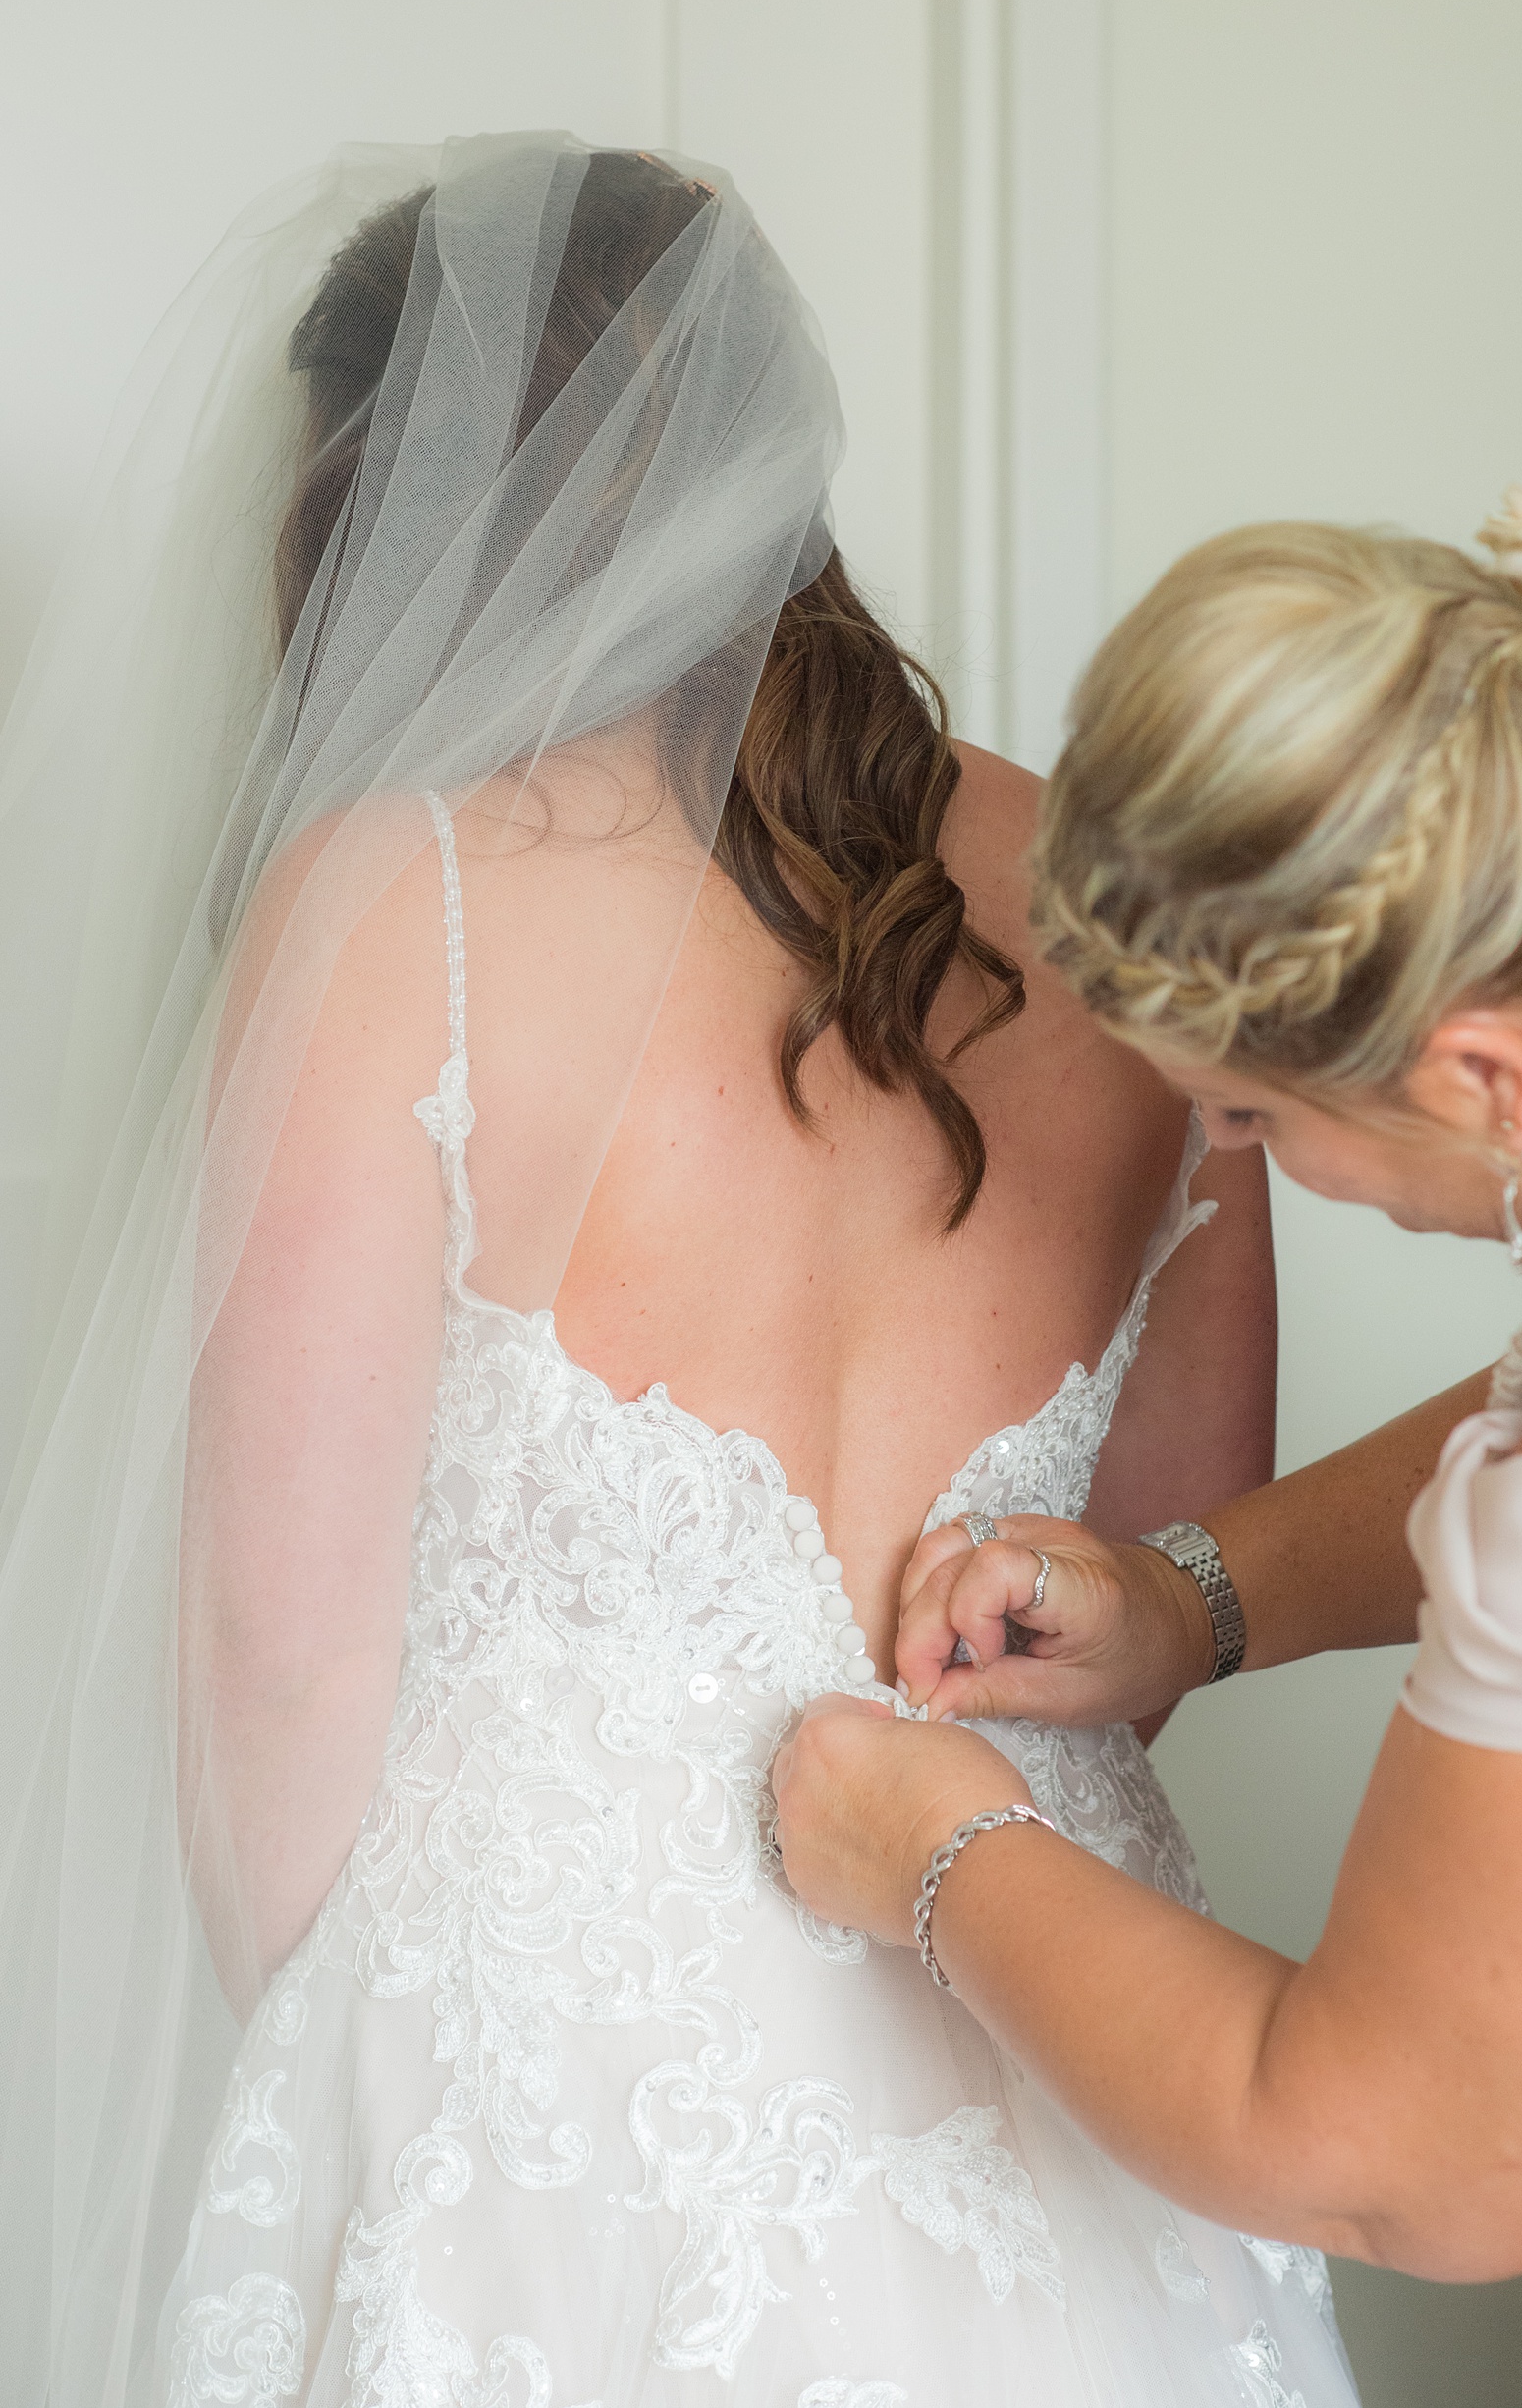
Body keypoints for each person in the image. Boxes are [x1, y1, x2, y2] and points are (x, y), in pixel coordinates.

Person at [0, 136, 1353, 2408]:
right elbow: (1181, 1556)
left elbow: (279, 1653)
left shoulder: (392, 902)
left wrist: (368, 2085)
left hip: (540, 2091)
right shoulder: (1112, 899)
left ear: (392, 508)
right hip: (1059, 2018)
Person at [773, 450, 1522, 2298]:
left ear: (1487, 1078)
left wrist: (939, 1849)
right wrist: (1192, 1595)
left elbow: (1396, 2165)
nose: (1237, 1154)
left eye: (1250, 1110)